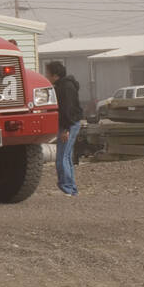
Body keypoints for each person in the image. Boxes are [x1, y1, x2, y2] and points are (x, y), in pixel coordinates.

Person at [46, 61, 83, 197]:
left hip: (68, 124)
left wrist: (65, 129)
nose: (46, 76)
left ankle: (67, 188)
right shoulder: (66, 85)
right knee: (66, 156)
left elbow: (67, 109)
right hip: (72, 123)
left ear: (55, 75)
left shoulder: (64, 87)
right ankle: (71, 188)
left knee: (62, 157)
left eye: (48, 74)